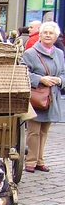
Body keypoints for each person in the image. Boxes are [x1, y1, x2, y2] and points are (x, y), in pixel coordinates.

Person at [21, 21, 65, 173]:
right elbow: (23, 72)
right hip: (36, 97)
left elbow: (63, 73)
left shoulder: (59, 53)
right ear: (40, 35)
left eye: (50, 33)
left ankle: (40, 160)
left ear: (55, 36)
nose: (47, 35)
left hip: (51, 98)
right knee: (33, 131)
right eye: (45, 33)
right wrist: (40, 79)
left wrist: (60, 80)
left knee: (44, 131)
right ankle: (31, 161)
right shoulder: (31, 53)